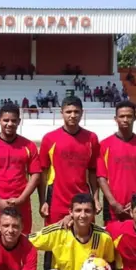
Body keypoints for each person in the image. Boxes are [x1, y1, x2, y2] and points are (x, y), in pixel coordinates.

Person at [0, 103, 41, 234]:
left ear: (19, 121)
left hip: (21, 203)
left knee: (22, 240)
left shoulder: (29, 146)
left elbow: (36, 175)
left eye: (13, 120)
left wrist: (22, 199)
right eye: (6, 120)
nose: (9, 124)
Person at [39, 96, 100, 226]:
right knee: (55, 242)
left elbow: (93, 171)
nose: (72, 115)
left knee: (84, 242)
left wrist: (96, 198)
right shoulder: (50, 138)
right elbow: (43, 174)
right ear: (61, 113)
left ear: (82, 113)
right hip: (56, 200)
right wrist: (43, 201)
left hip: (83, 202)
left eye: (76, 112)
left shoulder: (91, 138)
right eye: (68, 112)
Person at [97, 101, 136, 226]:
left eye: (129, 116)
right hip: (112, 206)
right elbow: (101, 177)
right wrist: (113, 202)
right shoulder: (104, 144)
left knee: (135, 242)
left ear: (135, 118)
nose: (125, 119)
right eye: (121, 116)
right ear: (115, 119)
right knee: (111, 241)